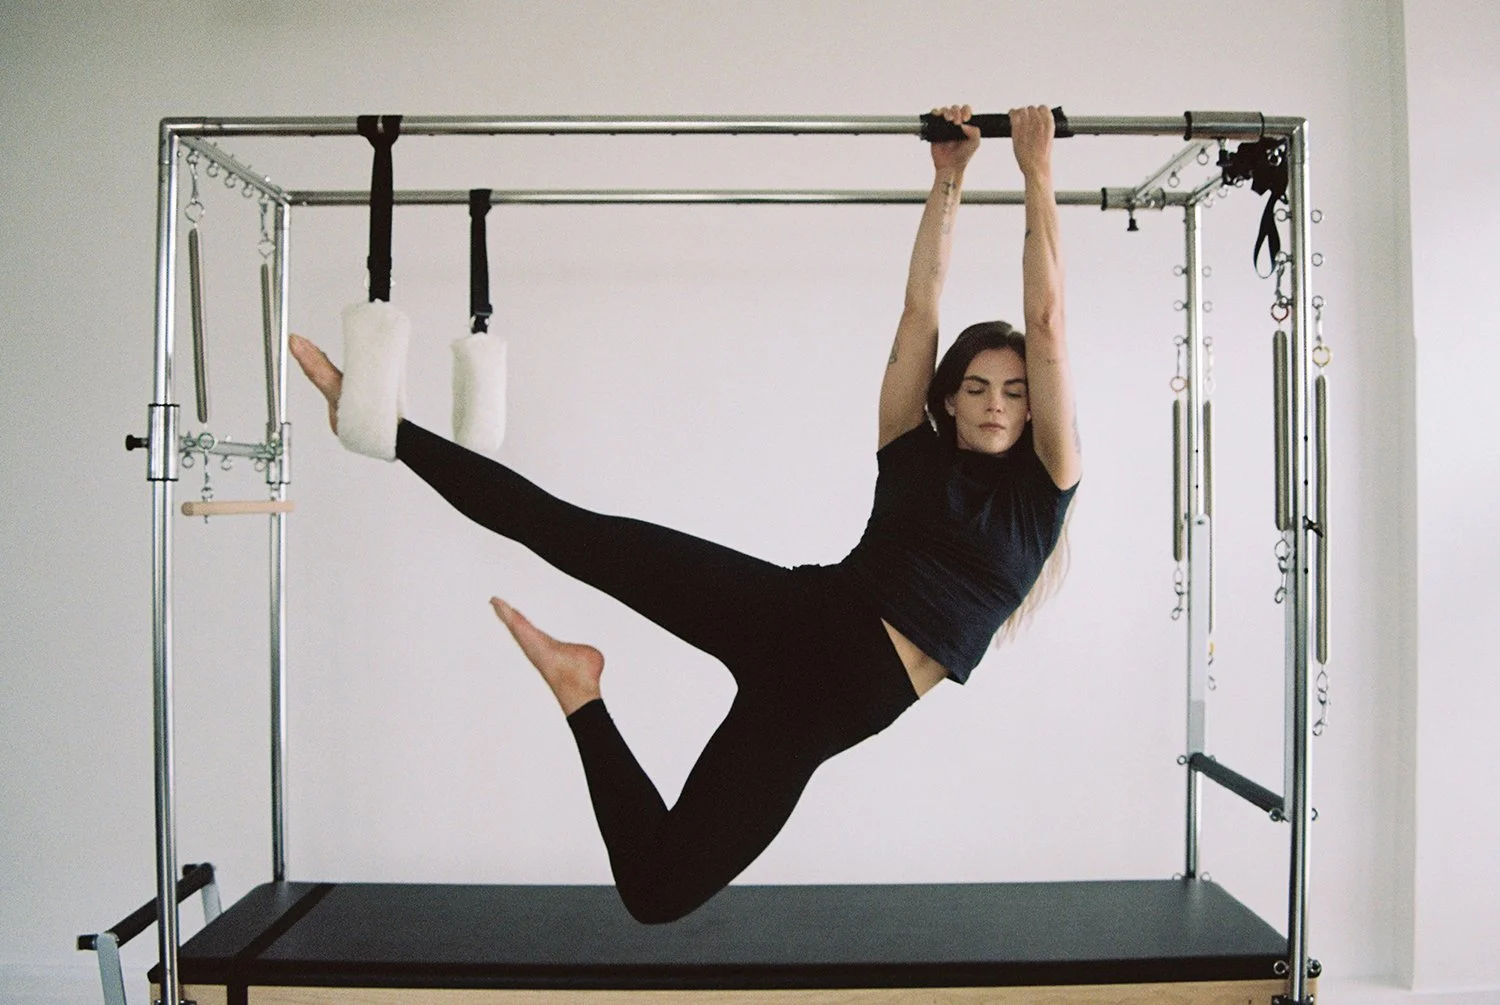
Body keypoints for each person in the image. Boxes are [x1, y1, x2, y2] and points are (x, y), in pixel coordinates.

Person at [289, 104, 1080, 925]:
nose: (996, 403)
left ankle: (577, 686)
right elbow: (922, 309)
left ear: (1033, 413)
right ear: (948, 399)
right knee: (564, 529)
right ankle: (381, 425)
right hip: (795, 616)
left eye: (1016, 392)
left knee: (656, 891)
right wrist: (952, 178)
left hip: (812, 715)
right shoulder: (909, 446)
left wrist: (1036, 173)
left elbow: (1049, 325)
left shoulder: (1042, 493)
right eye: (978, 386)